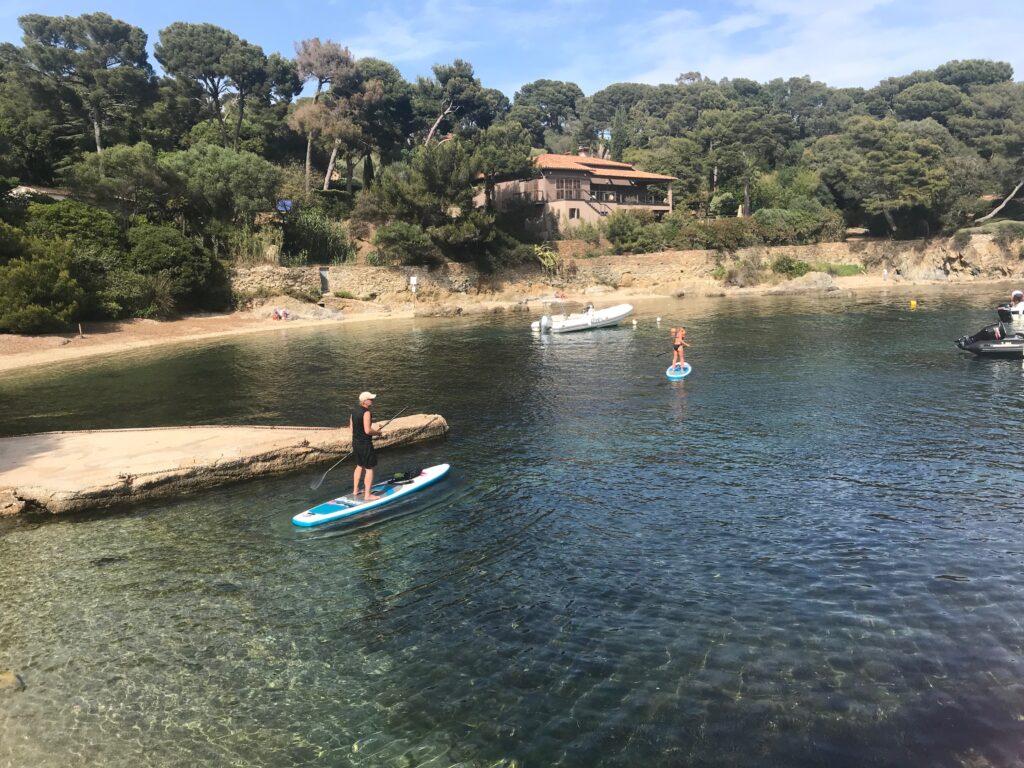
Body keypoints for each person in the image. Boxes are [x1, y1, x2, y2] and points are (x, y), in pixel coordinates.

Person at [349, 391, 383, 501]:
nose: (372, 400)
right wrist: (378, 433)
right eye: (370, 399)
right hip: (365, 444)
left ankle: (355, 490)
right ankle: (368, 495)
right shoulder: (366, 412)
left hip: (356, 442)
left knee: (359, 465)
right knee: (369, 468)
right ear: (364, 401)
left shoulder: (353, 412)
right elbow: (367, 430)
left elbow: (352, 429)